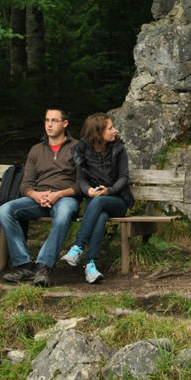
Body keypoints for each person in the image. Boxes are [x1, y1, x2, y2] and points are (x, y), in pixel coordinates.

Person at [0, 109, 80, 287]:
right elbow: (25, 184)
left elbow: (82, 184)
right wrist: (35, 195)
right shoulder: (36, 150)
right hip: (38, 199)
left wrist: (58, 194)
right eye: (47, 121)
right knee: (5, 210)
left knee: (64, 213)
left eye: (54, 121)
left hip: (64, 198)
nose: (49, 125)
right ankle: (25, 265)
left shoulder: (78, 148)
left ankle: (43, 267)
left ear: (65, 124)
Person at [61, 113, 133, 283]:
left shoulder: (119, 149)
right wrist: (89, 191)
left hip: (118, 200)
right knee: (100, 215)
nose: (115, 130)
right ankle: (90, 266)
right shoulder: (81, 150)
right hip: (95, 201)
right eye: (110, 128)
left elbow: (124, 177)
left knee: (99, 202)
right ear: (98, 133)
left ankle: (78, 247)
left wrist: (109, 190)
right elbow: (82, 180)